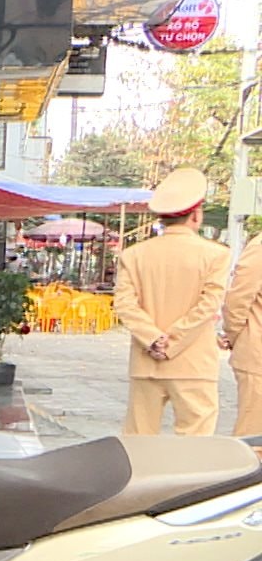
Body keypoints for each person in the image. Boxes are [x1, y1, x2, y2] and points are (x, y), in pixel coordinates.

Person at [114, 167, 228, 436]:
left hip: (146, 362)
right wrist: (173, 341)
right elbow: (208, 305)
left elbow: (124, 304)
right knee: (194, 441)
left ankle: (141, 478)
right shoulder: (215, 255)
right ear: (196, 215)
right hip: (194, 363)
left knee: (139, 438)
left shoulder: (134, 255)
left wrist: (153, 338)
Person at [221, 226, 262, 435]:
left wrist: (234, 336)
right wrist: (235, 336)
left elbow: (236, 302)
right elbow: (237, 302)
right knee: (254, 436)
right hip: (257, 357)